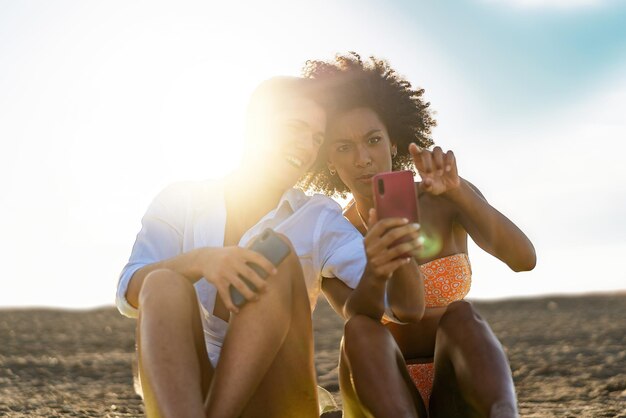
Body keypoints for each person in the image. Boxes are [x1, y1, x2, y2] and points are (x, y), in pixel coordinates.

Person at [115, 76, 424, 418]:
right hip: (186, 394)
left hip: (277, 397)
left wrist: (394, 253)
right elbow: (129, 291)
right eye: (295, 128)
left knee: (274, 253)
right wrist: (203, 261)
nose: (306, 147)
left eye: (316, 138)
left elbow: (400, 308)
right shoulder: (181, 200)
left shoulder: (318, 217)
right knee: (161, 281)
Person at [300, 53, 537, 418]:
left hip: (459, 384)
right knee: (361, 332)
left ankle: (504, 414)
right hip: (381, 394)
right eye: (343, 147)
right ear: (328, 159)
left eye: (373, 140)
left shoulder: (443, 196)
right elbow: (357, 315)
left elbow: (524, 260)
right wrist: (383, 260)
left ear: (393, 141)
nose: (362, 158)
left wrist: (459, 195)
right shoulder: (333, 229)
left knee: (462, 316)